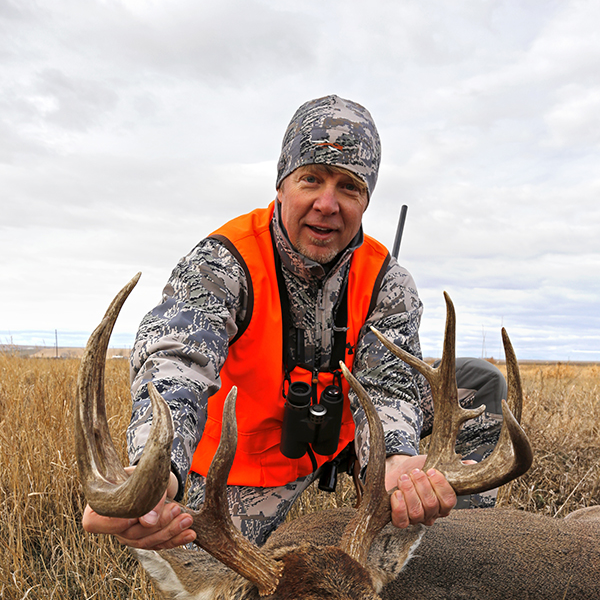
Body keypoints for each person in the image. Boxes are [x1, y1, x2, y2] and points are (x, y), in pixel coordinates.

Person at [82, 95, 505, 551]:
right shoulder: (225, 262)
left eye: (349, 187)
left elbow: (390, 384)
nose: (327, 203)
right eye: (311, 179)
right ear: (281, 186)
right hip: (248, 462)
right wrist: (154, 468)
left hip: (345, 434)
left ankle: (447, 552)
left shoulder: (388, 280)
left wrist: (397, 459)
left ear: (366, 201)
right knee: (216, 586)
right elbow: (175, 362)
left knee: (478, 384)